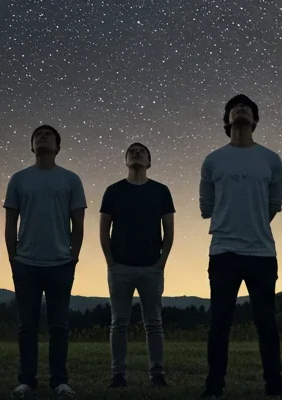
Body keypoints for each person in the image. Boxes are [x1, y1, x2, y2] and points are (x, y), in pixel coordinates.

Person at [199, 94, 282, 398]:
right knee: (219, 323)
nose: (241, 109)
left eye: (247, 108)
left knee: (266, 324)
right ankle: (214, 387)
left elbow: (274, 203)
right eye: (235, 108)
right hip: (223, 251)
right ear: (226, 120)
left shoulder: (271, 159)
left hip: (262, 252)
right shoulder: (213, 160)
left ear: (255, 120)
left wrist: (253, 226)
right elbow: (206, 205)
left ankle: (274, 386)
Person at [5, 124, 87, 398]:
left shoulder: (71, 179)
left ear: (58, 146)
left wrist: (73, 256)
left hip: (60, 263)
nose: (42, 136)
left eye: (48, 135)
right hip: (26, 263)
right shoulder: (18, 179)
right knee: (27, 325)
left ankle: (59, 381)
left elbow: (78, 222)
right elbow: (10, 222)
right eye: (37, 135)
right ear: (31, 146)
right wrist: (13, 257)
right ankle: (26, 379)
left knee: (59, 325)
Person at [99, 142, 176, 389]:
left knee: (153, 323)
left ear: (149, 162)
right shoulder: (113, 191)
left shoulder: (161, 191)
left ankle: (157, 374)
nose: (136, 153)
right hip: (120, 267)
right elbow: (103, 229)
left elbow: (169, 231)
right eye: (131, 151)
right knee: (119, 322)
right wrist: (110, 262)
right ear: (125, 160)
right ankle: (118, 375)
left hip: (151, 268)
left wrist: (161, 263)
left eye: (142, 151)